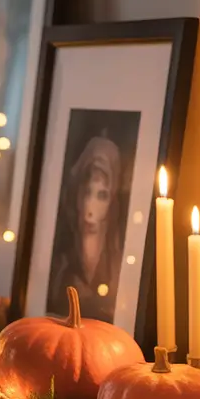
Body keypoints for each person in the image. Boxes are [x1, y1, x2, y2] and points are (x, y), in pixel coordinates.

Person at [46, 135, 123, 322]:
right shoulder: (58, 256)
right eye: (86, 192)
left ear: (112, 200)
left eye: (101, 196)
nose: (90, 208)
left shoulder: (119, 259)